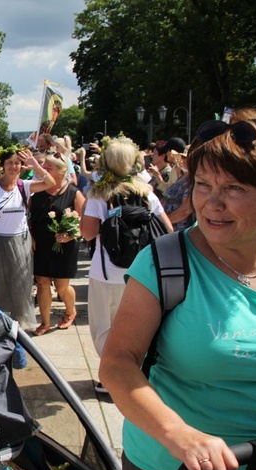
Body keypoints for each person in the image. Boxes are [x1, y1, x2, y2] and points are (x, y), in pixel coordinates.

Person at [99, 108, 256, 470]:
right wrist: (180, 435)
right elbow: (117, 362)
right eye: (203, 185)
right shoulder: (165, 262)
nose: (211, 203)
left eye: (235, 189)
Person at [79, 137, 172, 393]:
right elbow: (167, 228)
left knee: (105, 326)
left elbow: (87, 233)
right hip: (142, 271)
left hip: (107, 272)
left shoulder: (99, 194)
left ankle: (111, 378)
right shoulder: (146, 192)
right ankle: (137, 372)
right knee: (138, 325)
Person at [0, 149, 55, 328]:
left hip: (20, 242)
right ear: (3, 165)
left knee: (20, 284)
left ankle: (17, 324)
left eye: (17, 163)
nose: (14, 167)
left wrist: (35, 165)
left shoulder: (25, 186)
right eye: (10, 163)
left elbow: (50, 182)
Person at [29, 152, 86, 336]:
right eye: (43, 167)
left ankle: (70, 311)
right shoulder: (36, 192)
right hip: (41, 245)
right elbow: (27, 219)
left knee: (62, 287)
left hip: (65, 246)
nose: (43, 170)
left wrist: (72, 234)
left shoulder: (74, 193)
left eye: (48, 168)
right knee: (42, 283)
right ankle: (45, 322)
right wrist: (30, 236)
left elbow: (85, 223)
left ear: (62, 172)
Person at [162, 151, 194, 231]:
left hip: (177, 229)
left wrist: (164, 223)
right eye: (183, 158)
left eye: (187, 159)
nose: (183, 160)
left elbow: (185, 210)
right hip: (167, 227)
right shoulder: (182, 177)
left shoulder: (192, 182)